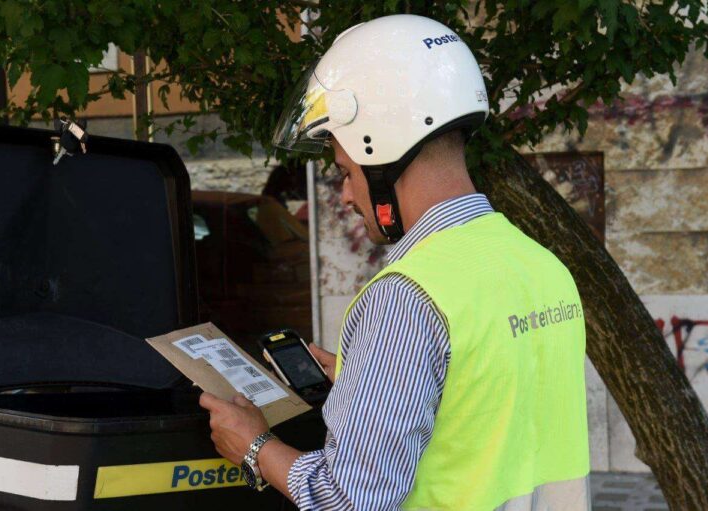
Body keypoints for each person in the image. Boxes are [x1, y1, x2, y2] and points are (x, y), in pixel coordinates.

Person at [199, 14, 590, 510]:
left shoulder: (406, 297)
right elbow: (492, 410)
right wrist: (378, 380)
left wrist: (254, 446)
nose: (345, 195)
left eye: (345, 171)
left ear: (378, 152)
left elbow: (348, 499)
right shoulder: (541, 265)